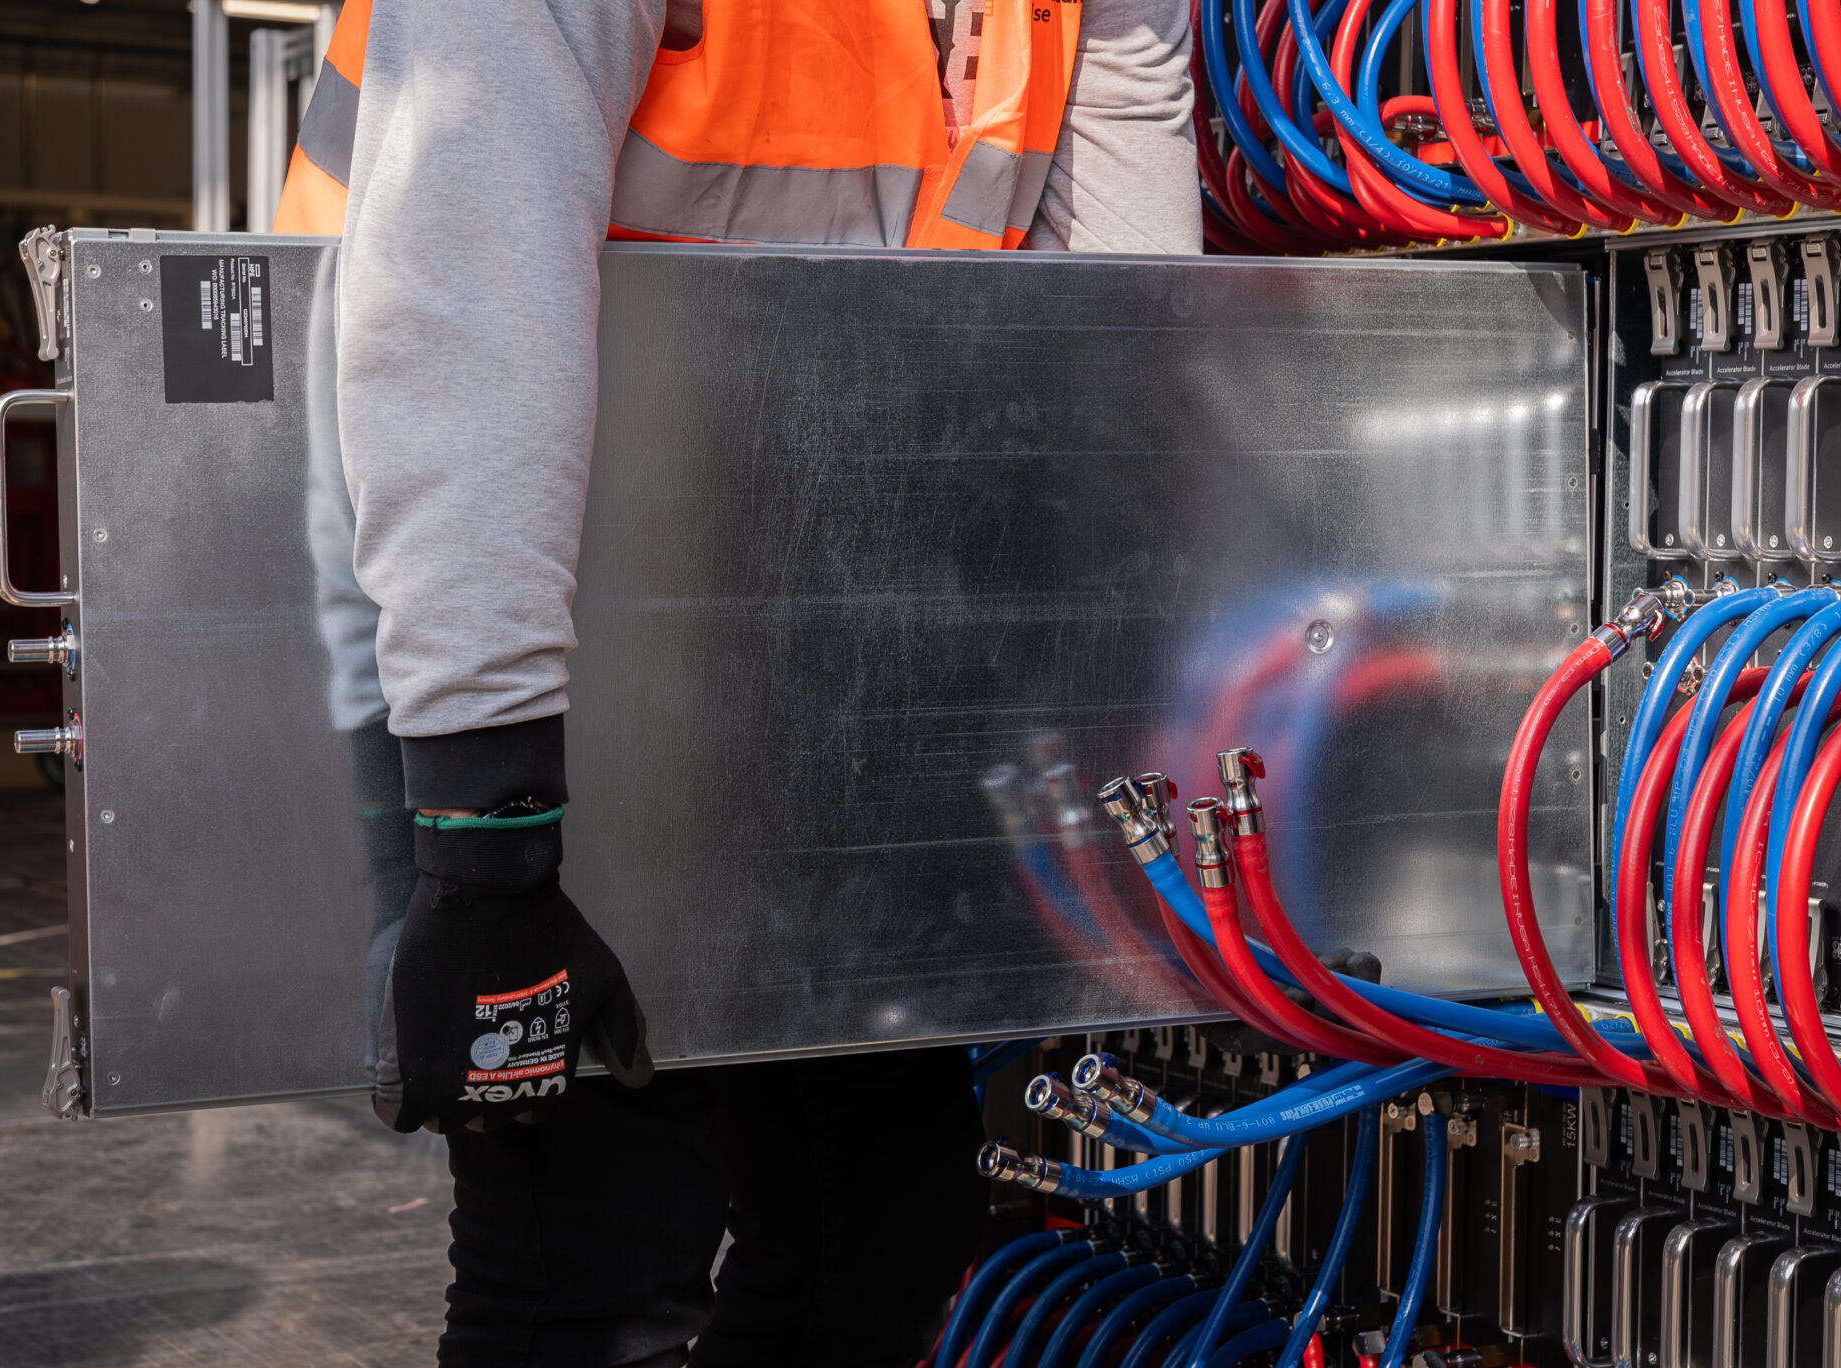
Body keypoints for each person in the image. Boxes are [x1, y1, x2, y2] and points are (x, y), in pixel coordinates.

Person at [275, 2, 1202, 1362]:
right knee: (593, 1253)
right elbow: (463, 311)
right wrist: (486, 837)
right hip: (469, 598)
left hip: (808, 633)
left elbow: (1106, 341)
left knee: (877, 1213)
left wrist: (1067, 704)